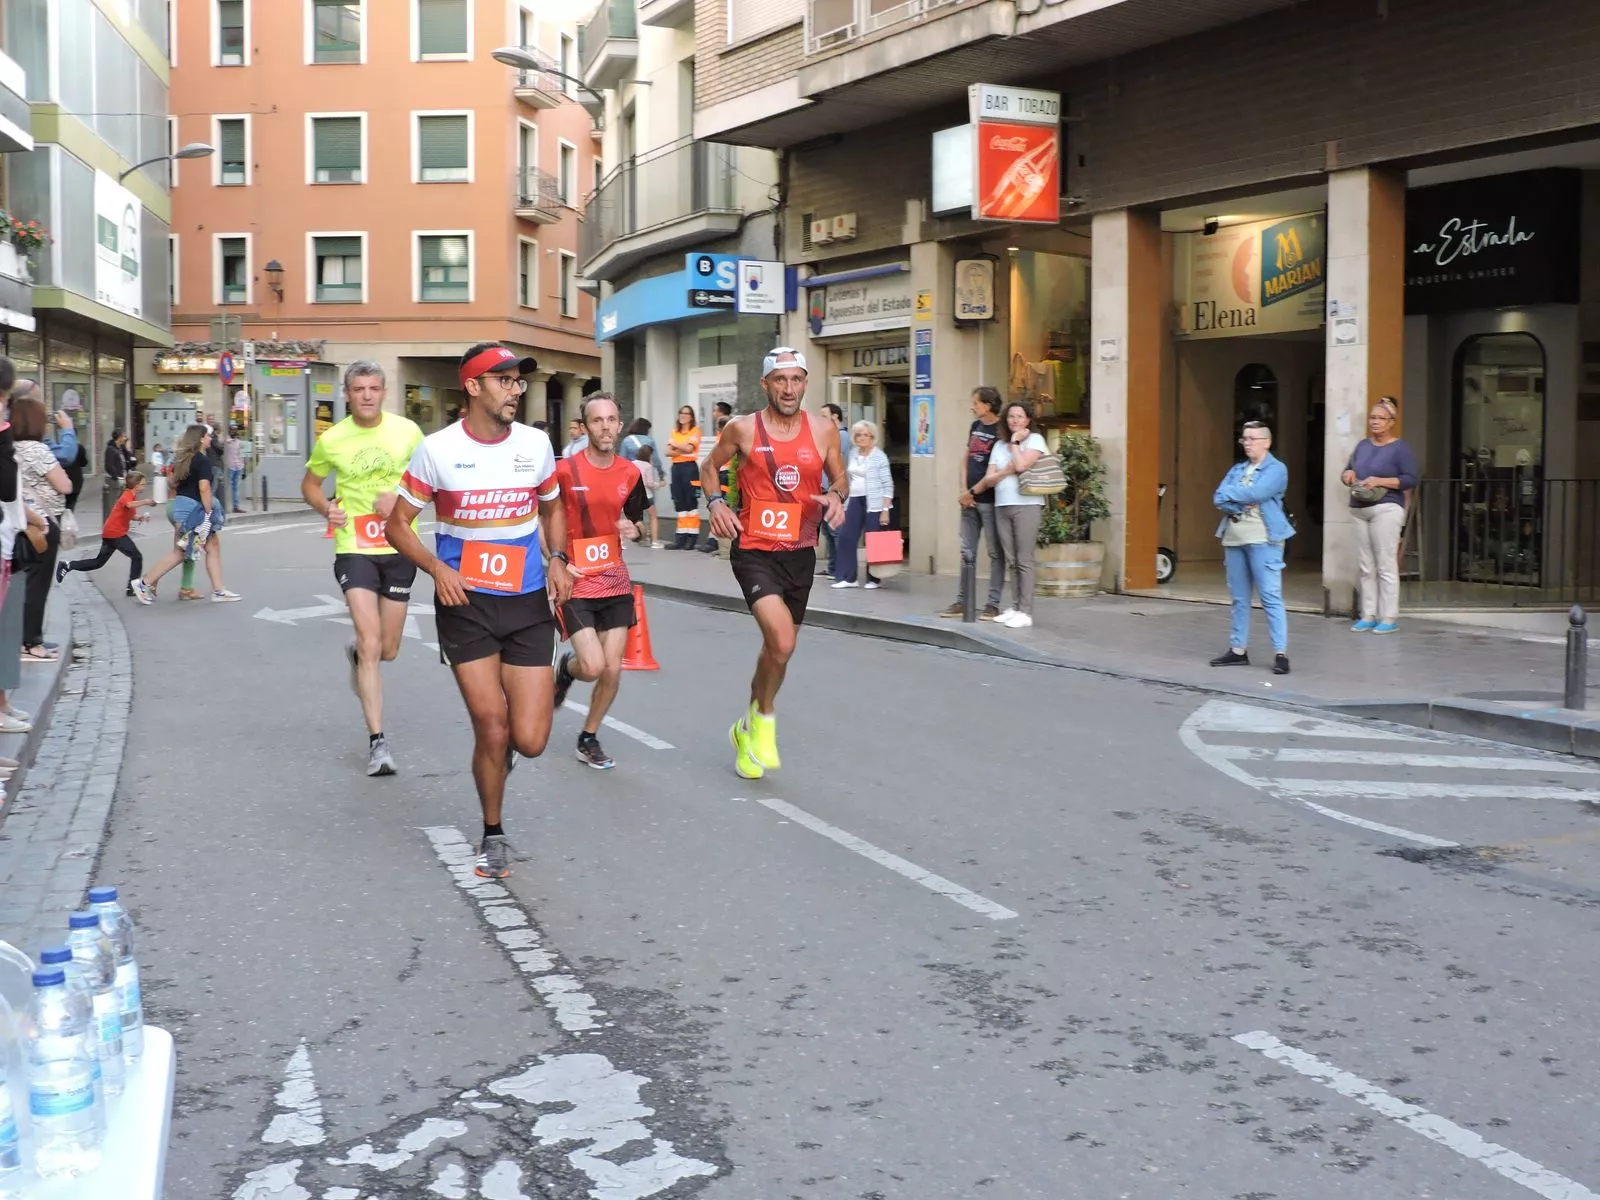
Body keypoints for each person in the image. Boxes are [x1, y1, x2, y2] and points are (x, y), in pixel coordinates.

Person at [386, 343, 572, 880]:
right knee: (492, 727)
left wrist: (558, 558)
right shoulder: (437, 450)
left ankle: (516, 739)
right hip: (465, 603)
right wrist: (436, 569)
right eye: (505, 381)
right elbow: (397, 524)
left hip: (528, 602)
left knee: (531, 741)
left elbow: (552, 505)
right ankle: (493, 832)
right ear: (473, 387)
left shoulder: (536, 444)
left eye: (518, 382)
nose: (516, 390)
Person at [702, 347, 846, 780]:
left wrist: (837, 495)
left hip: (800, 553)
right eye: (779, 380)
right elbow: (709, 467)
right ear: (765, 385)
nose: (789, 388)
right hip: (754, 550)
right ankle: (764, 719)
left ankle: (746, 727)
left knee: (777, 652)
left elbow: (839, 476)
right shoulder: (742, 428)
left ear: (805, 383)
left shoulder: (824, 430)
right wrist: (715, 503)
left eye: (796, 379)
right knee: (782, 642)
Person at [301, 360, 426, 777]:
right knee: (371, 641)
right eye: (359, 389)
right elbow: (311, 485)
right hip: (354, 546)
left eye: (374, 388)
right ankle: (378, 744)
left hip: (400, 546)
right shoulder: (332, 439)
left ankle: (358, 656)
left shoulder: (407, 432)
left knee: (387, 649)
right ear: (347, 394)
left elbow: (430, 480)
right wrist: (327, 509)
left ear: (384, 392)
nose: (367, 395)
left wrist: (401, 500)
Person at [550, 394, 650, 769]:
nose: (605, 427)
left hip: (615, 581)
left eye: (611, 420)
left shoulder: (630, 472)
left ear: (620, 425)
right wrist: (556, 560)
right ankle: (567, 669)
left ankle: (588, 736)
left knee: (612, 669)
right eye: (597, 421)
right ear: (585, 426)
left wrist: (633, 529)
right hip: (576, 582)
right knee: (591, 667)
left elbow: (638, 522)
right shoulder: (564, 471)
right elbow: (545, 522)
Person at [1210, 419, 1294, 675]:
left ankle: (1281, 652)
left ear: (1267, 442)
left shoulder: (1277, 469)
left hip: (1264, 538)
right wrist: (1239, 502)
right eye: (1244, 439)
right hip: (1234, 537)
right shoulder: (1237, 469)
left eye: (1252, 439)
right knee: (1239, 598)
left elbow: (1258, 493)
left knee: (1270, 596)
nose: (1247, 443)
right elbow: (1218, 497)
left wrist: (1235, 495)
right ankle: (1238, 650)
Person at [133, 424, 242, 604]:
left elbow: (172, 482)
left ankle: (218, 590)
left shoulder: (183, 459)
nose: (209, 439)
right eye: (207, 436)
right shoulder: (203, 461)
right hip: (194, 511)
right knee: (190, 551)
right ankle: (144, 583)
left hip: (181, 507)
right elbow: (204, 488)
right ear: (200, 439)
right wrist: (208, 512)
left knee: (192, 549)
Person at [1342, 395, 1418, 634]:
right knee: (1366, 565)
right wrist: (1348, 476)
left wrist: (1380, 481)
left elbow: (1410, 478)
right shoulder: (1362, 446)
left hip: (1386, 508)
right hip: (1359, 507)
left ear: (1391, 421)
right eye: (1372, 418)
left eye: (1380, 418)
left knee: (1385, 564)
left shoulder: (1400, 448)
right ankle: (1368, 614)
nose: (1375, 422)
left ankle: (1389, 616)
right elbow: (1348, 469)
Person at [11, 394, 75, 661]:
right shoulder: (37, 450)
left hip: (15, 523)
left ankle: (18, 639)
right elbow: (65, 485)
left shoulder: (9, 447)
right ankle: (31, 642)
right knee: (38, 584)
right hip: (41, 524)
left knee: (17, 583)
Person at [977, 400, 1047, 628]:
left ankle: (1026, 611)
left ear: (1028, 420)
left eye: (1020, 416)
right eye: (1011, 417)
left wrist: (1016, 444)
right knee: (1012, 560)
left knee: (1024, 559)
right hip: (1002, 504)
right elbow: (989, 479)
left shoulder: (1035, 440)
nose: (1015, 420)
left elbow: (1021, 466)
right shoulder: (999, 445)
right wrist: (1006, 470)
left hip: (1027, 504)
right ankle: (1016, 606)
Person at [939, 387, 1006, 619]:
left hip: (989, 499)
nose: (972, 407)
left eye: (976, 403)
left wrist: (972, 492)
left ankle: (993, 603)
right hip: (968, 500)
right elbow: (966, 459)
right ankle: (962, 601)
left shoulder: (1001, 430)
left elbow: (996, 470)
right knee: (967, 551)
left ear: (988, 405)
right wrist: (962, 490)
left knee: (995, 553)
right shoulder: (975, 427)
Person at [57, 470, 152, 595]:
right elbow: (128, 505)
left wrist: (140, 518)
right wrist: (145, 502)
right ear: (136, 485)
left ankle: (67, 565)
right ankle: (132, 588)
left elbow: (130, 513)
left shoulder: (131, 496)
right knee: (137, 557)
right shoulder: (127, 495)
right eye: (143, 484)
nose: (144, 486)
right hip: (116, 533)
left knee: (98, 562)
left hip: (111, 533)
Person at [831, 421, 895, 590]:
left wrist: (885, 510)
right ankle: (848, 577)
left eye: (865, 435)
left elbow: (888, 484)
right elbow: (849, 479)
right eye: (858, 434)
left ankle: (874, 579)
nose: (861, 438)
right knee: (846, 536)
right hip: (855, 499)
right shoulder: (852, 453)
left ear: (872, 437)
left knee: (873, 540)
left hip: (873, 502)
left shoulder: (879, 456)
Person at [816, 403, 849, 576]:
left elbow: (836, 464)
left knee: (835, 530)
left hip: (833, 491)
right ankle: (833, 568)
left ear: (835, 417)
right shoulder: (829, 435)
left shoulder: (841, 436)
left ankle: (842, 570)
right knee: (828, 530)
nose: (820, 419)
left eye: (824, 416)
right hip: (823, 490)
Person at [665, 405, 702, 550]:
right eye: (681, 413)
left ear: (691, 417)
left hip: (690, 468)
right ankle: (680, 538)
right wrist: (681, 447)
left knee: (690, 504)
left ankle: (691, 539)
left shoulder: (695, 431)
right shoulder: (674, 431)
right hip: (676, 469)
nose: (683, 415)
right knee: (679, 504)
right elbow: (667, 451)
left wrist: (675, 445)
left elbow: (690, 449)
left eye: (686, 413)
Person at [225, 426, 247, 513]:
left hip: (238, 466)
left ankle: (236, 506)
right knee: (226, 487)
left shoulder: (239, 442)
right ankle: (225, 505)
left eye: (235, 431)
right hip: (230, 467)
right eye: (232, 431)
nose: (233, 432)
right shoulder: (226, 441)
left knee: (236, 487)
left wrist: (243, 464)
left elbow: (241, 454)